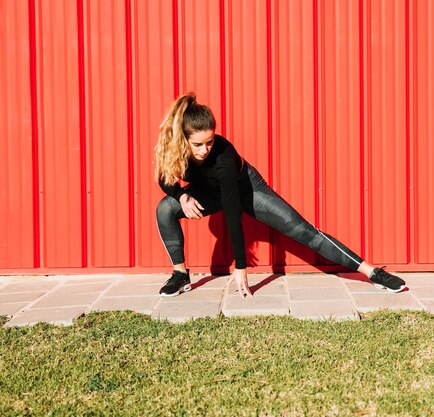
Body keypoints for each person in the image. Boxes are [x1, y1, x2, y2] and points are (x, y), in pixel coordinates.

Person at [154, 92, 406, 298]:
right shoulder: (174, 148)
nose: (205, 150)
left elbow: (233, 213)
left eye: (209, 141)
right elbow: (164, 179)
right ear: (182, 140)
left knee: (304, 231)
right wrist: (182, 196)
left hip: (247, 189)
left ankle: (372, 272)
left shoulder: (223, 156)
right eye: (197, 144)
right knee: (166, 207)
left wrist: (240, 266)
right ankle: (180, 275)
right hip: (210, 193)